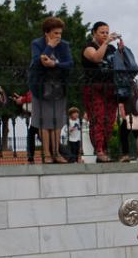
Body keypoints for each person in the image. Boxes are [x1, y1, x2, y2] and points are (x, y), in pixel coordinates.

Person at [28, 17, 73, 163]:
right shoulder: (37, 43)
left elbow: (69, 63)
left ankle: (56, 153)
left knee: (57, 122)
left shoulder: (64, 45)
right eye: (55, 33)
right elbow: (37, 62)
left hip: (59, 87)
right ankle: (46, 154)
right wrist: (49, 47)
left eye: (60, 33)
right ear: (47, 33)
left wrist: (54, 64)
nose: (59, 36)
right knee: (44, 122)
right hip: (41, 87)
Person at [81, 21, 123, 162]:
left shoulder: (111, 48)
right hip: (93, 88)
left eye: (107, 32)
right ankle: (98, 150)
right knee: (98, 119)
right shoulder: (88, 47)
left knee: (109, 121)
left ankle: (104, 149)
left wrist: (121, 50)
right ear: (94, 33)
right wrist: (106, 44)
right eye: (102, 32)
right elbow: (96, 58)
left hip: (110, 88)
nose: (105, 35)